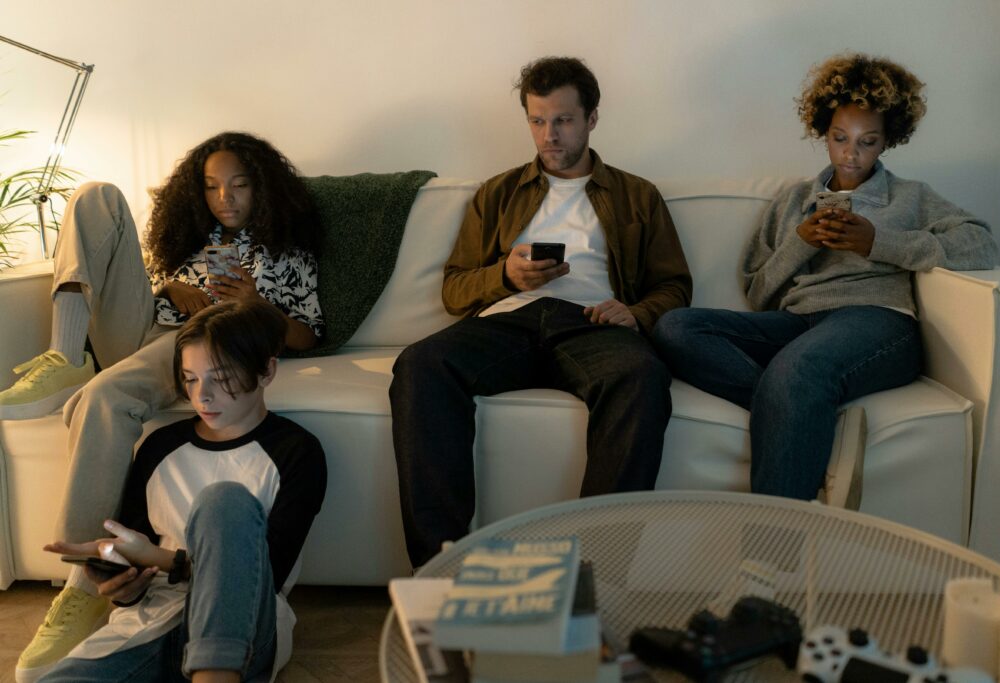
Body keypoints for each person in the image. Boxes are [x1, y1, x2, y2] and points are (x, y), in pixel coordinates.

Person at [9, 131, 324, 682]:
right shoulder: (185, 239)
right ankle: (66, 351)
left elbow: (308, 335)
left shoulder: (287, 253)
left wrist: (255, 306)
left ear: (264, 188)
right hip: (149, 324)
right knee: (95, 197)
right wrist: (169, 288)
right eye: (211, 187)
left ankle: (83, 584)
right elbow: (140, 282)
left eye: (239, 185)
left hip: (198, 340)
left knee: (106, 397)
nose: (224, 198)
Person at [390, 56, 692, 569]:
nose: (548, 135)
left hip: (593, 324)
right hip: (509, 322)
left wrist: (636, 313)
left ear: (592, 119)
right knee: (420, 364)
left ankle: (598, 572)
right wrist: (506, 277)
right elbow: (455, 289)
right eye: (537, 120)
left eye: (563, 120)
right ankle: (438, 567)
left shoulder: (638, 195)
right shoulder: (499, 192)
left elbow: (675, 285)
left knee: (641, 376)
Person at [652, 53, 997, 500]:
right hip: (797, 323)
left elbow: (980, 242)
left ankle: (767, 561)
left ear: (887, 140)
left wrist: (877, 242)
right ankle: (810, 417)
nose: (851, 154)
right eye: (840, 138)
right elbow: (758, 292)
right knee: (675, 326)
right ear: (823, 132)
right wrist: (802, 241)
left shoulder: (910, 197)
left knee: (799, 370)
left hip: (876, 322)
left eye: (867, 141)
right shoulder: (793, 200)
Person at [37, 299, 327, 682]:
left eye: (221, 378)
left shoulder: (296, 452)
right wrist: (121, 585)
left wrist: (162, 559)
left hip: (242, 629)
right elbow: (133, 563)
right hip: (150, 624)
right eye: (190, 378)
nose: (201, 395)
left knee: (224, 501)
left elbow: (265, 573)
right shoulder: (160, 447)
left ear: (266, 371)